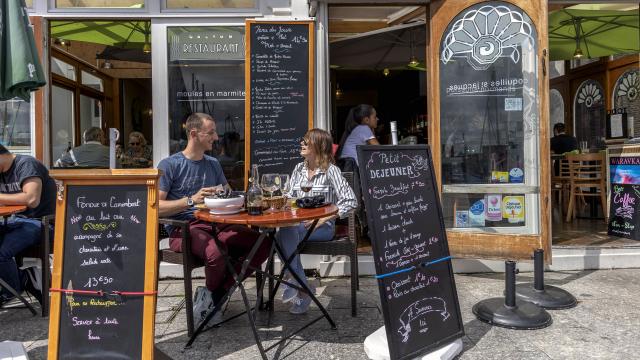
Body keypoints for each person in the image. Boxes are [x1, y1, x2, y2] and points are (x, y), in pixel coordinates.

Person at [157, 112, 270, 325]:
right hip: (184, 228)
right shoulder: (169, 165)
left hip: (217, 224)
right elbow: (155, 208)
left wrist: (247, 199)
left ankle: (215, 295)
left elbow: (229, 195)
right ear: (193, 134)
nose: (216, 137)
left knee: (264, 242)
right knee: (217, 252)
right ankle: (214, 296)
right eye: (211, 133)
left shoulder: (213, 164)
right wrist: (191, 200)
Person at [276, 129, 357, 314]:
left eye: (306, 141)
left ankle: (296, 285)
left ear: (318, 146)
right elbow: (289, 196)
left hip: (323, 227)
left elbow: (351, 201)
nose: (302, 144)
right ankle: (304, 288)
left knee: (283, 235)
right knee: (281, 233)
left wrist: (324, 218)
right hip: (298, 224)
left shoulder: (331, 170)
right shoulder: (298, 169)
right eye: (302, 141)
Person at [0, 144, 56, 305]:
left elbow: (32, 199)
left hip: (41, 223)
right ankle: (20, 279)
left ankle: (16, 285)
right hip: (14, 221)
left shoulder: (26, 164)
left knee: (1, 252)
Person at [336, 104, 380, 168]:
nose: (377, 119)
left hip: (348, 167)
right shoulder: (364, 128)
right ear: (367, 120)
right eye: (375, 117)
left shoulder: (359, 129)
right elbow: (379, 149)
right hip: (352, 168)